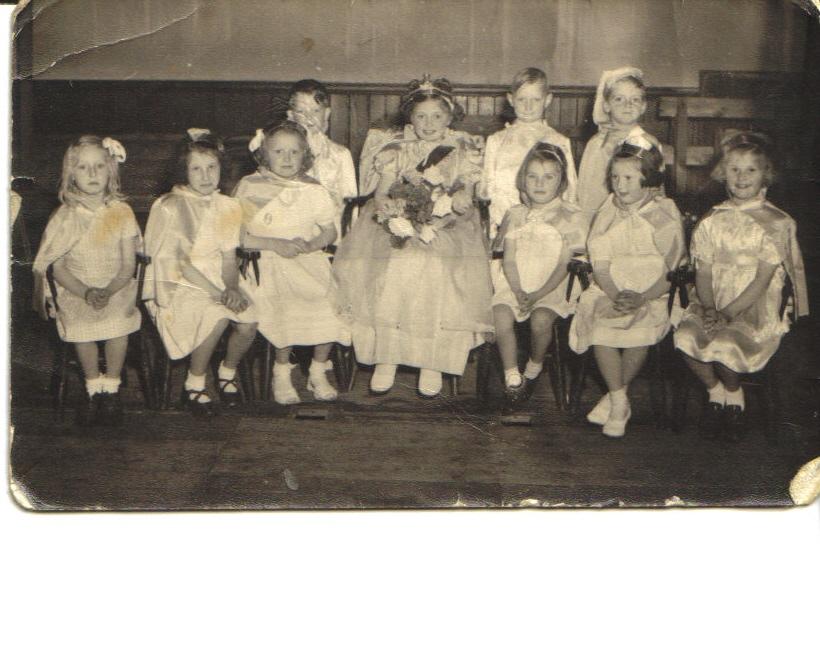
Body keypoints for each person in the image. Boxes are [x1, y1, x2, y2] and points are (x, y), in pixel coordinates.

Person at [333, 75, 493, 398]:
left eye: (437, 116)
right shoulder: (396, 150)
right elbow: (379, 195)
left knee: (434, 268)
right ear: (410, 117)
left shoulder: (462, 150)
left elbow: (465, 195)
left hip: (448, 226)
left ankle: (431, 361)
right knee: (396, 265)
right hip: (398, 223)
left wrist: (459, 201)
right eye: (421, 116)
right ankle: (387, 355)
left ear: (450, 117)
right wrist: (389, 206)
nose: (429, 123)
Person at [674, 132, 808, 441]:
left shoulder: (777, 223)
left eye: (751, 170)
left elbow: (762, 280)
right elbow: (704, 273)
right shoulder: (711, 220)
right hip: (713, 298)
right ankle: (716, 392)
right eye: (734, 169)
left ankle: (735, 397)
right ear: (723, 173)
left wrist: (728, 313)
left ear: (766, 175)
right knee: (685, 338)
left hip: (753, 304)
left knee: (725, 343)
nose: (741, 177)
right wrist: (708, 307)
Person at [569, 136, 685, 438]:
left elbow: (673, 268)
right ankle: (620, 400)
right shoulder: (608, 210)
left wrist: (642, 297)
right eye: (615, 177)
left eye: (629, 178)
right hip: (611, 288)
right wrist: (613, 292)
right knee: (600, 329)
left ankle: (612, 396)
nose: (620, 185)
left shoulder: (665, 212)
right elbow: (601, 262)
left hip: (652, 291)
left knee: (639, 332)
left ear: (648, 179)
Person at [235, 120, 350, 405]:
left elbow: (329, 230)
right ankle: (282, 369)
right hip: (264, 261)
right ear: (264, 154)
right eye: (278, 152)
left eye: (294, 152)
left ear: (305, 155)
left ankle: (318, 369)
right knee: (284, 303)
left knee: (331, 302)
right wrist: (276, 244)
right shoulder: (250, 186)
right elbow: (238, 237)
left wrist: (311, 245)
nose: (286, 159)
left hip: (306, 259)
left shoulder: (313, 188)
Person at [143, 128, 258, 416]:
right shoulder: (170, 206)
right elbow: (177, 264)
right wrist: (219, 294)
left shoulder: (228, 206)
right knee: (216, 315)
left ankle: (226, 371)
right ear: (184, 172)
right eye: (196, 169)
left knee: (249, 320)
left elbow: (229, 259)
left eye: (212, 167)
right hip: (176, 283)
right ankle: (193, 384)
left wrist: (232, 288)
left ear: (221, 168)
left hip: (218, 277)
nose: (206, 176)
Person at [32, 135, 141, 426]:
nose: (92, 174)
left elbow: (129, 265)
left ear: (111, 171)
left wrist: (108, 290)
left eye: (99, 166)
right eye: (83, 168)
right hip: (76, 289)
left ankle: (113, 386)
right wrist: (85, 291)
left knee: (119, 325)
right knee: (82, 326)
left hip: (116, 287)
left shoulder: (122, 212)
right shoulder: (65, 217)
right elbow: (57, 267)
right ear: (70, 176)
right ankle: (93, 386)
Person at [491, 142, 588, 398]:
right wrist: (519, 290)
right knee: (499, 314)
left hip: (552, 284)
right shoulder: (515, 215)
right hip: (516, 282)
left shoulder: (571, 216)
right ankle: (512, 374)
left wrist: (537, 294)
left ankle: (534, 365)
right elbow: (509, 261)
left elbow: (563, 265)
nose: (539, 183)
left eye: (548, 177)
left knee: (541, 320)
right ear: (523, 180)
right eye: (532, 176)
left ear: (562, 181)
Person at [480, 67, 577, 237]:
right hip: (505, 222)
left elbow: (570, 189)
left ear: (547, 100)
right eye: (522, 99)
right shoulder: (497, 140)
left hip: (549, 226)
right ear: (511, 99)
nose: (528, 106)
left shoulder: (558, 141)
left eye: (536, 100)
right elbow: (488, 186)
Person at [577, 67, 661, 218]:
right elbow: (586, 190)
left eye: (635, 99)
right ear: (606, 105)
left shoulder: (647, 142)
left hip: (638, 215)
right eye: (619, 99)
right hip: (601, 217)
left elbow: (657, 188)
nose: (627, 105)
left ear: (643, 106)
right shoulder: (596, 143)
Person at [286, 79, 358, 243]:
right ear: (290, 115)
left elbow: (350, 204)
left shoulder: (340, 154)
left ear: (326, 114)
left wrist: (349, 243)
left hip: (329, 235)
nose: (309, 118)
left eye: (315, 111)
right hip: (289, 231)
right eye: (301, 112)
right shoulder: (281, 155)